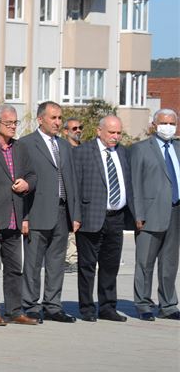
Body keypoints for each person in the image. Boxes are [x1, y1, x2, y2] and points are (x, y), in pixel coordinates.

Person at [18, 101, 80, 323]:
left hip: (62, 212)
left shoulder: (64, 146)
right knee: (33, 263)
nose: (57, 122)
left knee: (56, 263)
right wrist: (24, 217)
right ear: (40, 119)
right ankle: (30, 305)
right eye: (53, 117)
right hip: (36, 212)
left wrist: (75, 214)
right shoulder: (26, 144)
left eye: (60, 118)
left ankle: (53, 306)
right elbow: (22, 181)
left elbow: (72, 180)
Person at [0, 105, 37, 326]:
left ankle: (14, 311)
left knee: (14, 268)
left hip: (15, 218)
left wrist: (27, 184)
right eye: (9, 123)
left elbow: (32, 175)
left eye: (15, 122)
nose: (13, 127)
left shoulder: (20, 148)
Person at [73, 116, 132, 322]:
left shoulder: (123, 152)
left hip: (116, 217)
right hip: (90, 217)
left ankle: (107, 307)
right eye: (111, 132)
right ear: (99, 131)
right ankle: (87, 308)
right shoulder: (82, 152)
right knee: (87, 265)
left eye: (119, 133)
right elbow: (75, 187)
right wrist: (75, 216)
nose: (115, 137)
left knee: (110, 265)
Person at [130, 109, 180, 321]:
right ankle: (143, 304)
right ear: (154, 125)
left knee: (170, 263)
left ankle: (168, 305)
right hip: (149, 214)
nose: (168, 127)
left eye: (172, 123)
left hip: (175, 212)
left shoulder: (178, 147)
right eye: (164, 123)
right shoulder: (140, 149)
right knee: (145, 262)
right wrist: (138, 214)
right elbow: (135, 184)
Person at [61, 118, 83, 272]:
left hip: (82, 195)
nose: (78, 130)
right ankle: (70, 259)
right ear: (65, 131)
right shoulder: (63, 149)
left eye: (80, 127)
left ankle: (76, 257)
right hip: (68, 196)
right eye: (74, 128)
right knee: (69, 231)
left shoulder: (84, 149)